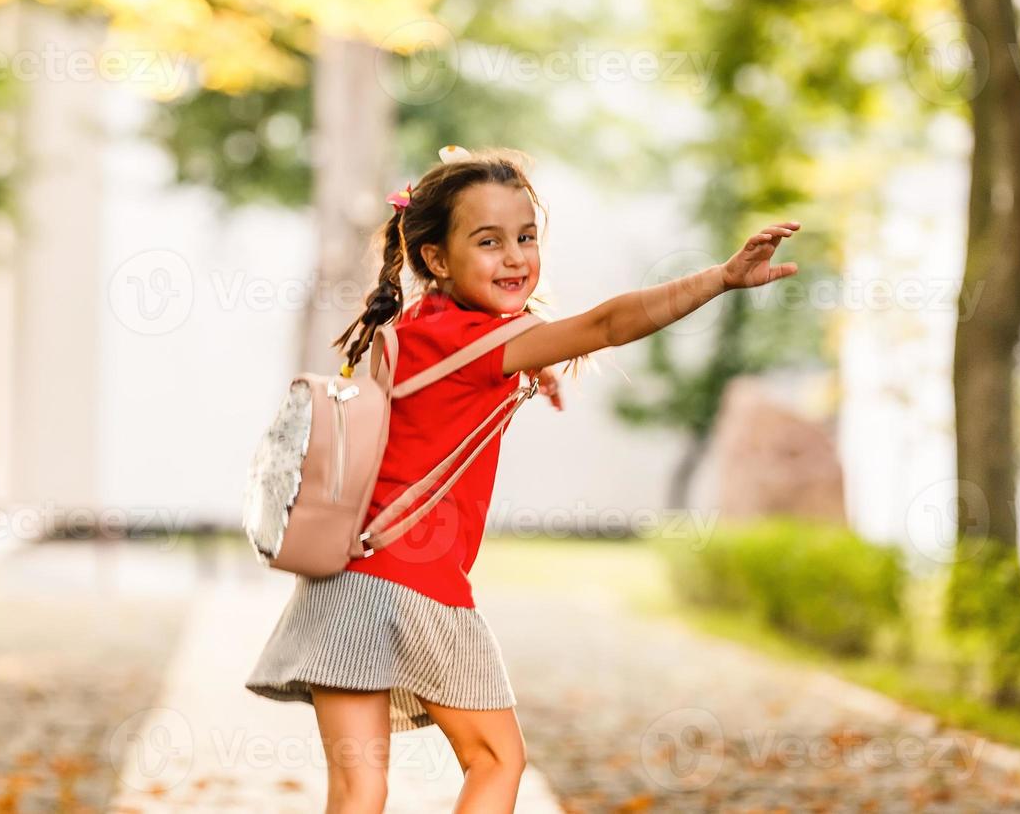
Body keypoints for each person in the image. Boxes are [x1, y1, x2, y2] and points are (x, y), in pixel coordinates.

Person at [244, 144, 799, 813]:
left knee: (358, 787)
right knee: (496, 759)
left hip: (340, 582)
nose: (514, 257)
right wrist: (720, 278)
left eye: (526, 237)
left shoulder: (413, 325)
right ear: (436, 259)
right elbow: (606, 324)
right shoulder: (484, 344)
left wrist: (528, 372)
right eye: (488, 241)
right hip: (413, 586)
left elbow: (451, 386)